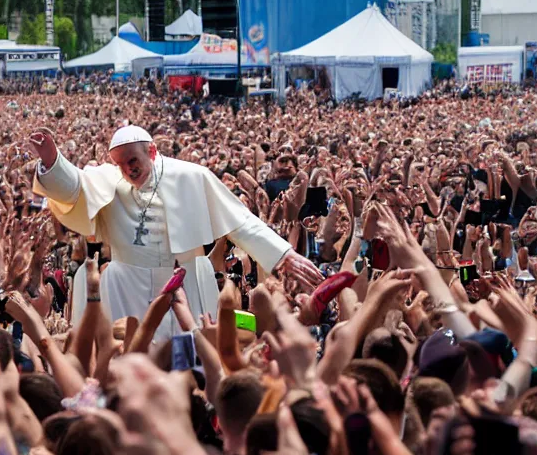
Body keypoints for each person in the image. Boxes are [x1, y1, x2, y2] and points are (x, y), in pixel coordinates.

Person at [30, 125, 321, 338]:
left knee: (192, 349)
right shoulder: (110, 178)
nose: (128, 170)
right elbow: (73, 187)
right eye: (120, 164)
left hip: (185, 278)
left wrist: (282, 254)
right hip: (126, 282)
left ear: (152, 151)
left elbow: (239, 220)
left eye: (133, 161)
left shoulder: (191, 176)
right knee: (127, 352)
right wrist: (52, 161)